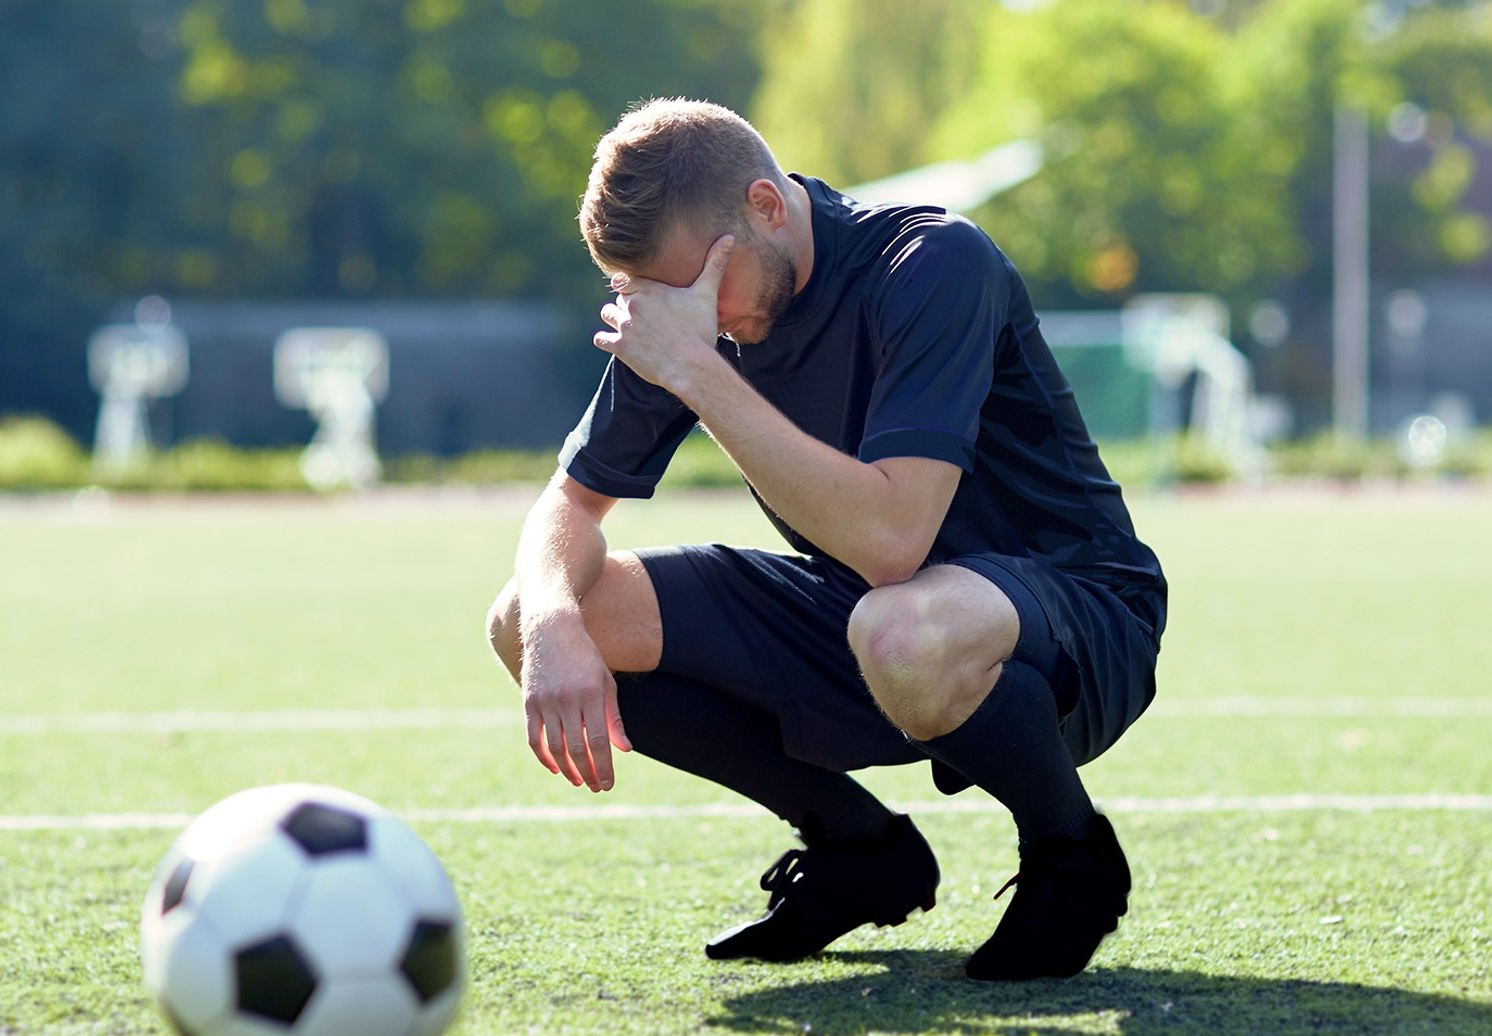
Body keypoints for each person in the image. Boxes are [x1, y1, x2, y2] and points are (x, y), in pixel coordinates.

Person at [486, 98, 1165, 982]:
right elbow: (567, 508)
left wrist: (695, 371)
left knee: (903, 627)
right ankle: (858, 848)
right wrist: (549, 627)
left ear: (766, 207)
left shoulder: (931, 262)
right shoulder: (694, 304)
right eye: (657, 299)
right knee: (532, 612)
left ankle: (1070, 853)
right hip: (869, 616)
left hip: (1074, 612)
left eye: (700, 291)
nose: (702, 321)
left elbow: (893, 538)